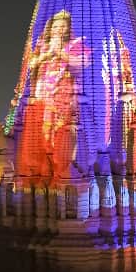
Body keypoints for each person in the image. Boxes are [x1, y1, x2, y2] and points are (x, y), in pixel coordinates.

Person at [19, 10, 90, 177]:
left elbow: (83, 62)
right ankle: (44, 160)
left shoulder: (75, 44)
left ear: (68, 29)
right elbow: (31, 63)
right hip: (43, 94)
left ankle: (61, 162)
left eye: (63, 27)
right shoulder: (43, 45)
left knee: (62, 128)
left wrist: (61, 53)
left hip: (64, 94)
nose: (59, 29)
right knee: (43, 127)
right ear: (50, 29)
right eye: (56, 26)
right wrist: (46, 54)